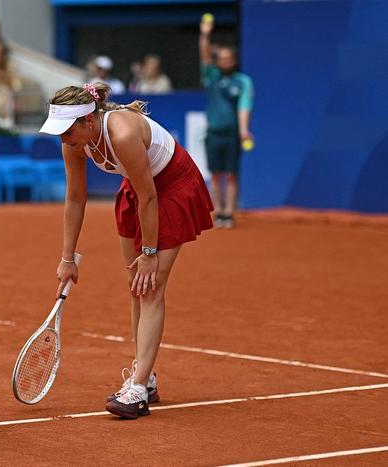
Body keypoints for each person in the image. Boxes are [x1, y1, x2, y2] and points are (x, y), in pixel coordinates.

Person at [40, 83, 213, 419]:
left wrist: (149, 253)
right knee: (135, 286)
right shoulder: (75, 144)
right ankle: (144, 378)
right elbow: (75, 198)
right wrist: (67, 258)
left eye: (67, 130)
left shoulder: (121, 133)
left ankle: (137, 387)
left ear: (88, 120)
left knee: (151, 287)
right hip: (138, 188)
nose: (63, 139)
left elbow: (151, 196)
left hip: (171, 187)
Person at [199, 17, 254, 228]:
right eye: (220, 58)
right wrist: (205, 34)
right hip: (213, 132)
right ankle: (218, 211)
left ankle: (230, 212)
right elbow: (204, 56)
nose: (224, 61)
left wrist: (243, 130)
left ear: (234, 60)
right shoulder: (211, 76)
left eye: (228, 58)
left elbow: (244, 106)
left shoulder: (243, 81)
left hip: (232, 133)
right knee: (215, 174)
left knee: (232, 174)